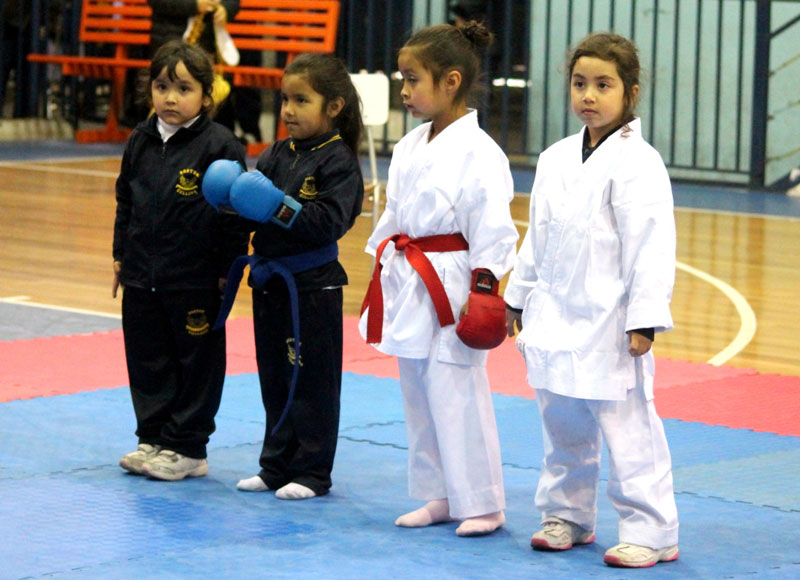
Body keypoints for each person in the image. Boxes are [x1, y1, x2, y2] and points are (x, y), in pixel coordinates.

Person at [503, 32, 680, 568]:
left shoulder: (639, 163)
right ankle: (568, 514)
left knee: (628, 429)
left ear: (630, 92)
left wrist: (645, 319)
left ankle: (652, 529)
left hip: (611, 320)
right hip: (555, 315)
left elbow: (651, 245)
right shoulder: (557, 157)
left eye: (603, 85)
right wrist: (518, 296)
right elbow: (537, 233)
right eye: (580, 83)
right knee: (561, 422)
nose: (589, 95)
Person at [359, 21, 518, 537]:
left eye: (413, 80)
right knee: (418, 391)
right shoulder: (408, 146)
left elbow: (494, 227)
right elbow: (396, 217)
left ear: (451, 81)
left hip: (453, 284)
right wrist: (380, 263)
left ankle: (484, 503)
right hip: (410, 275)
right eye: (401, 79)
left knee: (457, 391)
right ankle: (439, 494)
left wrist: (485, 290)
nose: (404, 91)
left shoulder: (480, 152)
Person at [113, 40, 249, 481]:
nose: (171, 98)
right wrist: (120, 255)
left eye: (184, 88)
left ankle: (187, 446)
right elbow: (125, 202)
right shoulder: (140, 139)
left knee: (196, 361)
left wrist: (229, 269)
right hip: (141, 275)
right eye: (162, 86)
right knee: (147, 357)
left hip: (195, 279)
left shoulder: (220, 146)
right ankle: (152, 436)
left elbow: (234, 215)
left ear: (207, 96)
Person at [232, 53, 364, 500]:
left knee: (312, 381)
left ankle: (311, 472)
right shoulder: (276, 153)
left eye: (301, 100)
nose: (287, 110)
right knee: (274, 378)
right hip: (268, 281)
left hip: (312, 286)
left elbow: (328, 222)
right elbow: (251, 213)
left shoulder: (339, 161)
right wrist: (230, 201)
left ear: (333, 107)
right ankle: (275, 464)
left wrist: (275, 206)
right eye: (285, 99)